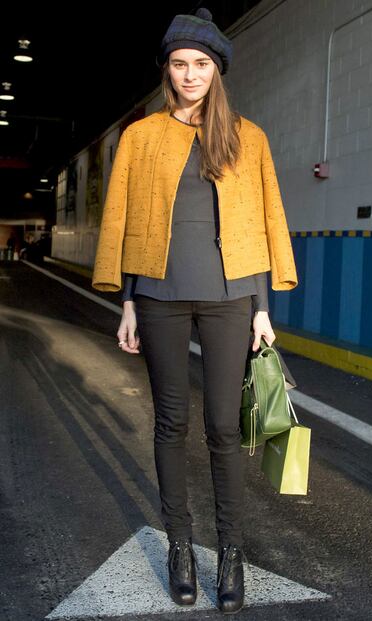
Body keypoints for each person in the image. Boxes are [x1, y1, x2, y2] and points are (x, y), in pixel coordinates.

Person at [92, 7, 298, 614]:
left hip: (231, 297)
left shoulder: (248, 137)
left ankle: (230, 554)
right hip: (158, 295)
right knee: (171, 424)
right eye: (179, 64)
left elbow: (261, 223)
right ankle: (180, 547)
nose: (190, 74)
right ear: (167, 70)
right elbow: (128, 221)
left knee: (225, 430)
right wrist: (127, 301)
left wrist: (263, 306)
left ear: (217, 70)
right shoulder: (141, 137)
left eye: (201, 64)